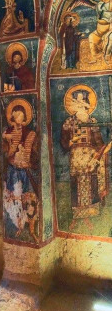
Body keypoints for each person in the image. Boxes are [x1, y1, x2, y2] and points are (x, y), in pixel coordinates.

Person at [60, 88, 111, 220]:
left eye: (82, 101)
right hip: (76, 158)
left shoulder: (92, 121)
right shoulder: (69, 121)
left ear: (86, 102)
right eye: (77, 101)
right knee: (76, 182)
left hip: (90, 158)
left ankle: (92, 211)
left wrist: (103, 149)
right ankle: (78, 214)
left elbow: (98, 141)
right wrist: (71, 141)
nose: (80, 104)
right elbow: (63, 141)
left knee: (92, 181)